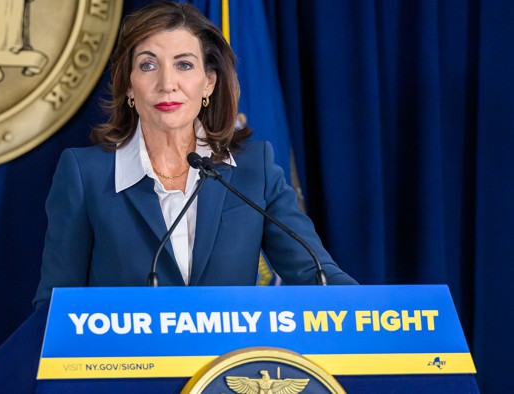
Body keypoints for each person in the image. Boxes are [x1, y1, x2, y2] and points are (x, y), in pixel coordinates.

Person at [33, 1, 356, 307]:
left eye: (184, 65)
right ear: (128, 86)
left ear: (209, 83)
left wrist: (380, 315)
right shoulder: (85, 173)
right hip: (127, 364)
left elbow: (317, 276)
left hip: (229, 364)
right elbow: (56, 303)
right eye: (148, 65)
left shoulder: (252, 169)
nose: (167, 83)